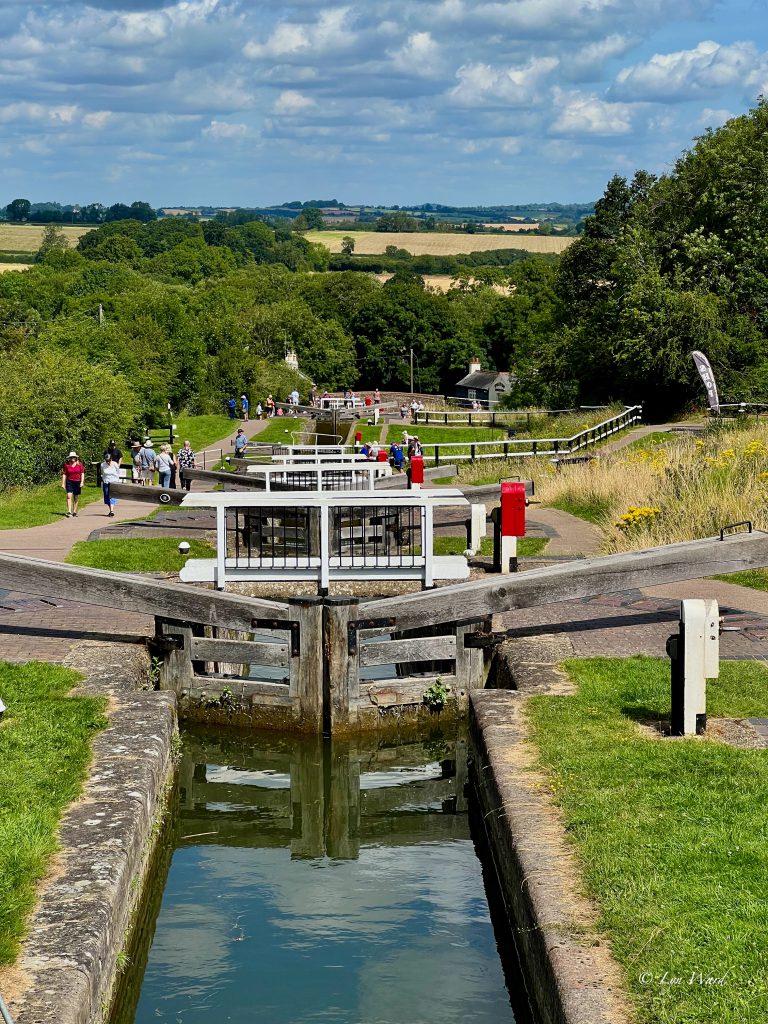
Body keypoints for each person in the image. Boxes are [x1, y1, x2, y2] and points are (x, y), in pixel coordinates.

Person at [61, 451, 85, 517]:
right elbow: (64, 474)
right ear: (69, 458)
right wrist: (63, 483)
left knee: (75, 497)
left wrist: (82, 482)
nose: (72, 458)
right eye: (71, 457)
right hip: (69, 481)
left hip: (77, 481)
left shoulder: (79, 465)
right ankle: (69, 511)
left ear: (76, 457)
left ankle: (74, 511)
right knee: (69, 496)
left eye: (74, 457)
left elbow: (82, 473)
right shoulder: (67, 465)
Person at [100, 452, 121, 517]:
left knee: (112, 496)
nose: (108, 462)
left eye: (109, 460)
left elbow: (118, 472)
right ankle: (111, 510)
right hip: (106, 482)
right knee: (106, 496)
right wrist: (103, 480)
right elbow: (102, 473)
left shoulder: (115, 464)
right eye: (107, 461)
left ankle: (112, 511)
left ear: (111, 459)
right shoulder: (102, 465)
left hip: (114, 482)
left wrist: (117, 481)